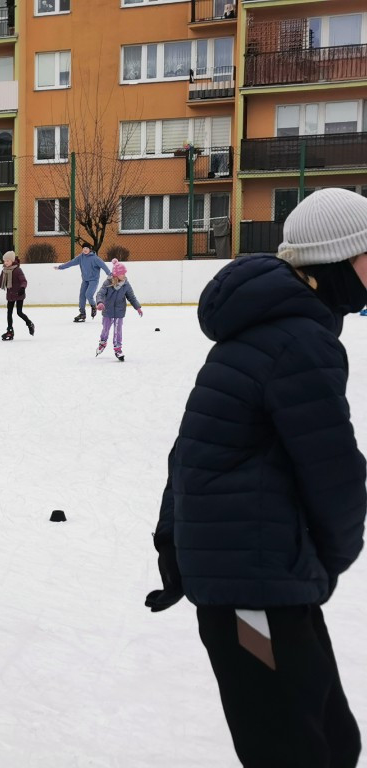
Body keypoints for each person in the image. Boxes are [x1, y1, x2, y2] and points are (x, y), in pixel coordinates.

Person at [146, 188, 367, 768]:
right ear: (339, 261)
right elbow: (335, 472)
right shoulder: (299, 341)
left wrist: (175, 547)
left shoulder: (264, 332)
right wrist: (333, 556)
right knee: (292, 748)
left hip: (257, 579)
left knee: (331, 738)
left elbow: (189, 452)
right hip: (251, 591)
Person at [94, 258, 142, 361]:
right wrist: (100, 302)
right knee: (105, 329)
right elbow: (100, 293)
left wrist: (137, 307)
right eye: (122, 274)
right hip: (108, 311)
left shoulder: (126, 284)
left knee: (118, 331)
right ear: (116, 274)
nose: (124, 275)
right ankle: (102, 343)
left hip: (119, 312)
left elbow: (131, 297)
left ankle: (118, 348)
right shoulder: (107, 283)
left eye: (124, 273)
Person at [52, 245, 111, 322]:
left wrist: (109, 274)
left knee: (88, 294)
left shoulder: (95, 259)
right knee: (82, 296)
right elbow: (71, 263)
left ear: (90, 249)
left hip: (94, 280)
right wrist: (60, 267)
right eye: (84, 248)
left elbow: (104, 266)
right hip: (85, 280)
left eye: (87, 248)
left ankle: (93, 306)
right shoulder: (81, 257)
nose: (85, 250)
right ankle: (82, 313)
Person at [0, 250, 34, 340]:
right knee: (9, 313)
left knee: (19, 312)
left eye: (7, 261)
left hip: (19, 294)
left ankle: (29, 323)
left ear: (12, 260)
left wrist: (22, 288)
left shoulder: (18, 270)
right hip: (10, 295)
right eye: (4, 261)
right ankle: (10, 331)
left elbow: (24, 281)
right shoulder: (4, 271)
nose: (5, 262)